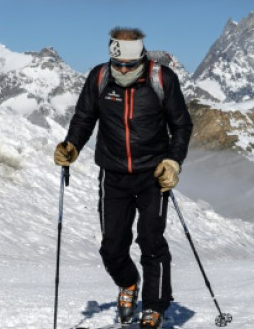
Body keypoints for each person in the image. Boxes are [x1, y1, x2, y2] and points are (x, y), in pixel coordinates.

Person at [54, 27, 193, 328]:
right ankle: (128, 283)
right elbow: (84, 117)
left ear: (141, 58)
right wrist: (72, 145)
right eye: (118, 64)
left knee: (150, 239)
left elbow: (181, 126)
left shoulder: (162, 79)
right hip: (113, 174)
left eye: (129, 65)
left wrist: (173, 162)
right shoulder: (100, 77)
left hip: (152, 175)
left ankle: (155, 308)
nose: (122, 70)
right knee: (112, 247)